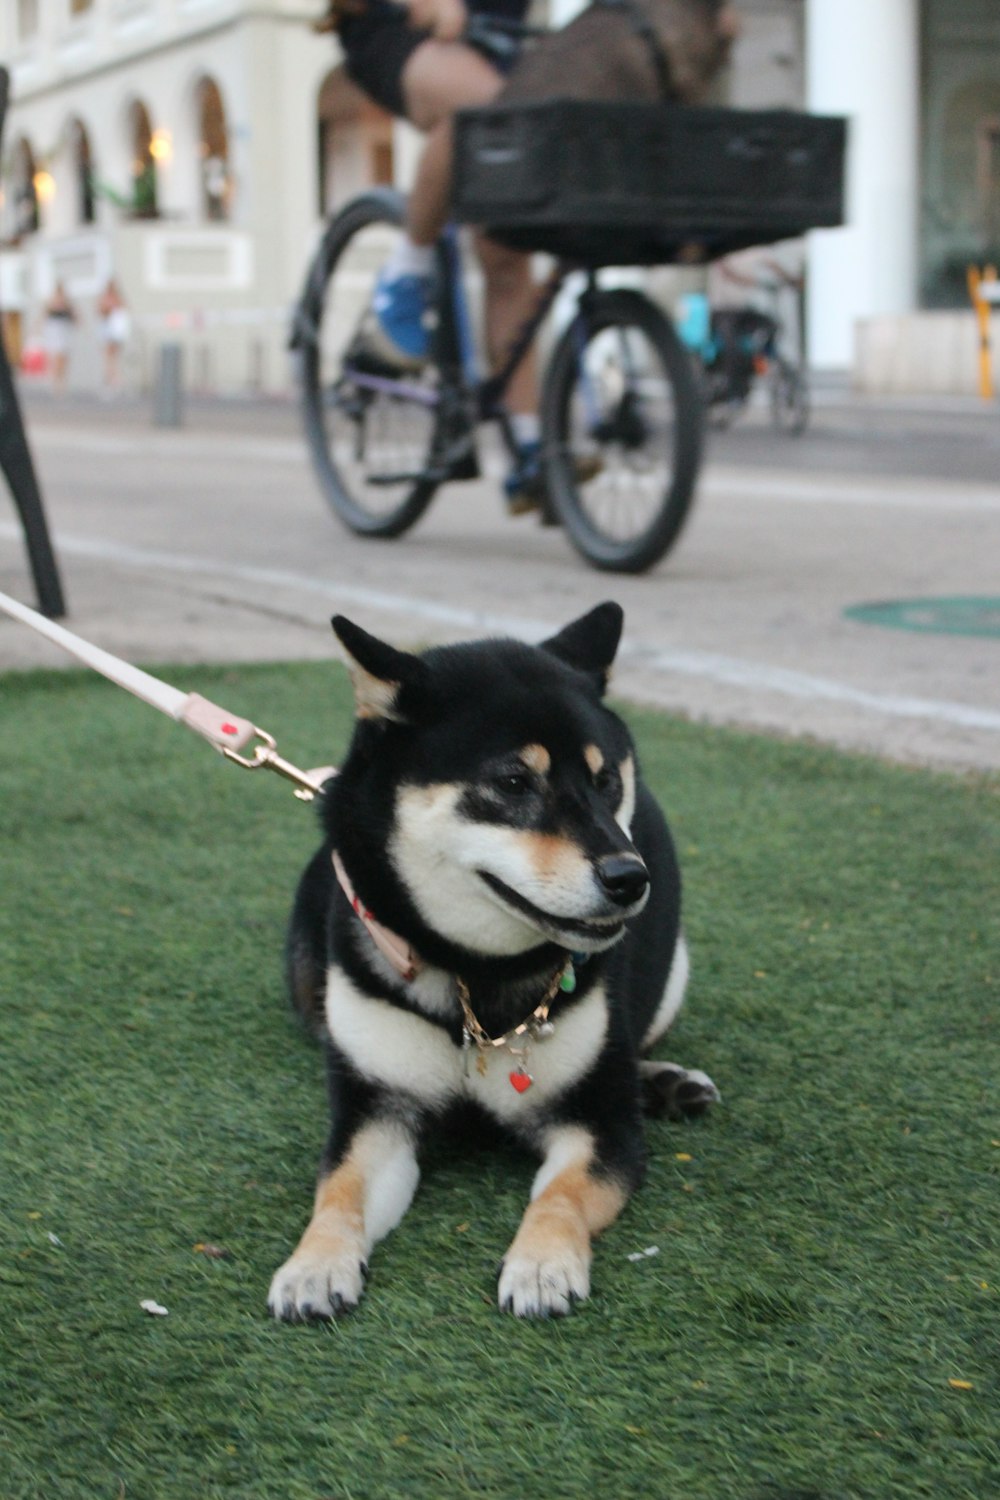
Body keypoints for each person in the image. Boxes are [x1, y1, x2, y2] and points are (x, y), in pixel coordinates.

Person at [326, 0, 548, 512]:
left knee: (507, 255)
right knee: (480, 110)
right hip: (397, 32)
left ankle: (530, 447)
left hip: (499, 42)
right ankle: (404, 278)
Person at [97, 278, 131, 390]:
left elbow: (124, 308)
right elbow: (100, 310)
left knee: (115, 353)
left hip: (115, 329)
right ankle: (110, 376)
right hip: (107, 328)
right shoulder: (104, 298)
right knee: (108, 354)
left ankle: (114, 376)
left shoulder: (117, 298)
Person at [43, 281, 76, 392]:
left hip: (64, 331)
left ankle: (61, 381)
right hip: (55, 331)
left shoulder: (67, 303)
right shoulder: (52, 301)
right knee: (56, 357)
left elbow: (74, 316)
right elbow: (45, 314)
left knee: (64, 358)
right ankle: (55, 382)